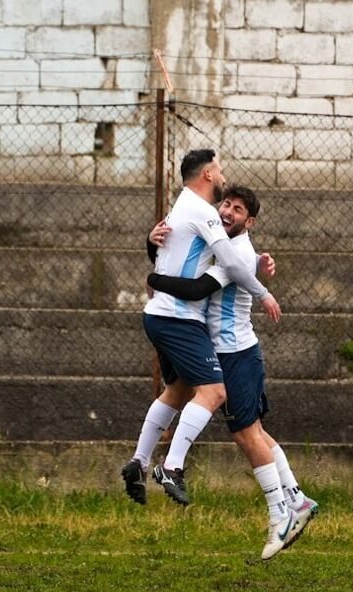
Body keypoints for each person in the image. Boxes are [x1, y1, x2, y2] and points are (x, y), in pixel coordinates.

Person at [144, 185, 318, 560]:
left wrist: (153, 280)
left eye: (237, 210)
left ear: (249, 222)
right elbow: (185, 256)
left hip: (236, 354)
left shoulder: (234, 252)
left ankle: (280, 516)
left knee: (245, 435)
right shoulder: (225, 244)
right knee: (254, 432)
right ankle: (297, 500)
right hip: (228, 354)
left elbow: (197, 289)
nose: (227, 211)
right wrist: (151, 241)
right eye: (225, 204)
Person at [121, 150, 282, 511]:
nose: (223, 177)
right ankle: (172, 467)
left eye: (238, 209)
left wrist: (257, 260)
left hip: (160, 315)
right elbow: (221, 270)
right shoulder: (204, 212)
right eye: (219, 170)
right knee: (213, 391)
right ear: (208, 174)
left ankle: (139, 462)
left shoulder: (181, 206)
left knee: (178, 391)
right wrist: (264, 292)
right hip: (179, 319)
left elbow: (173, 252)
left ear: (250, 221)